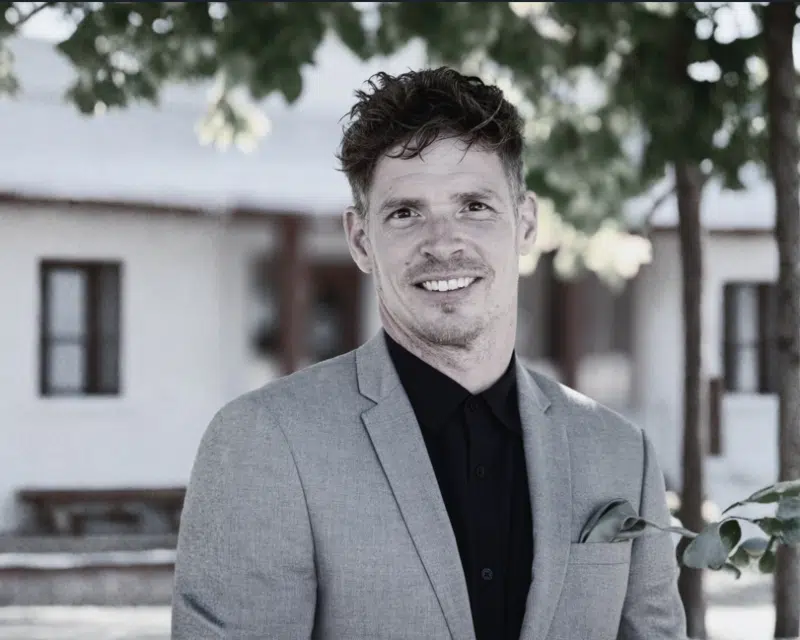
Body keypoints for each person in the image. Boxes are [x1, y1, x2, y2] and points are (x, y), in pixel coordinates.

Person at [171, 67, 687, 640]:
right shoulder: (264, 441)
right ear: (361, 241)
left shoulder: (621, 452)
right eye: (406, 213)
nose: (443, 243)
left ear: (525, 223)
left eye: (474, 206)